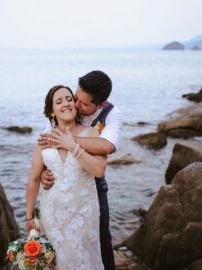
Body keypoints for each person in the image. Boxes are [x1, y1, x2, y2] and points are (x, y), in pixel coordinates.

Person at [39, 70, 122, 270]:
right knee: (61, 247)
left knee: (100, 241)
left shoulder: (111, 115)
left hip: (93, 186)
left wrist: (68, 141)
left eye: (83, 104)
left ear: (99, 105)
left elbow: (107, 146)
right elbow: (48, 142)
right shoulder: (68, 105)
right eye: (76, 97)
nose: (75, 105)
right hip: (63, 190)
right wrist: (44, 171)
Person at [26, 85, 106, 269]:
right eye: (59, 101)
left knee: (81, 260)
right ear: (51, 112)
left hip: (83, 214)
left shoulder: (92, 133)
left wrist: (72, 145)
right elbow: (34, 179)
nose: (66, 104)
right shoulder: (45, 140)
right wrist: (29, 218)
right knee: (57, 262)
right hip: (52, 215)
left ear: (76, 105)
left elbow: (99, 170)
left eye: (69, 99)